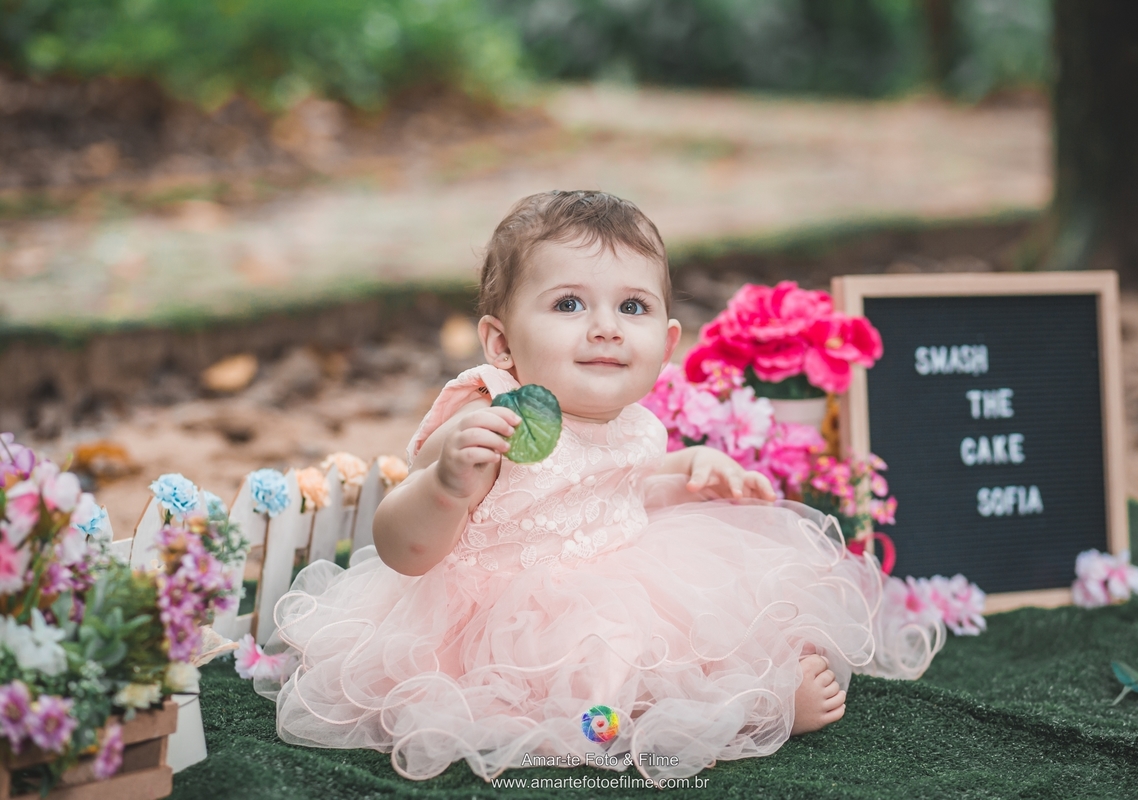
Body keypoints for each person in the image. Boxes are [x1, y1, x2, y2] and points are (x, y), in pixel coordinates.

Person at [255, 190, 944, 785]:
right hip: (497, 625)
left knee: (687, 644)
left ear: (667, 344)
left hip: (621, 588)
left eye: (633, 307)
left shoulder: (635, 425)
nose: (607, 327)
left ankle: (733, 698)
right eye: (570, 303)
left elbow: (618, 491)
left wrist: (691, 470)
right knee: (593, 705)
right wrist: (445, 481)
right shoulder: (487, 418)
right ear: (501, 345)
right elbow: (404, 547)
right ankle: (747, 711)